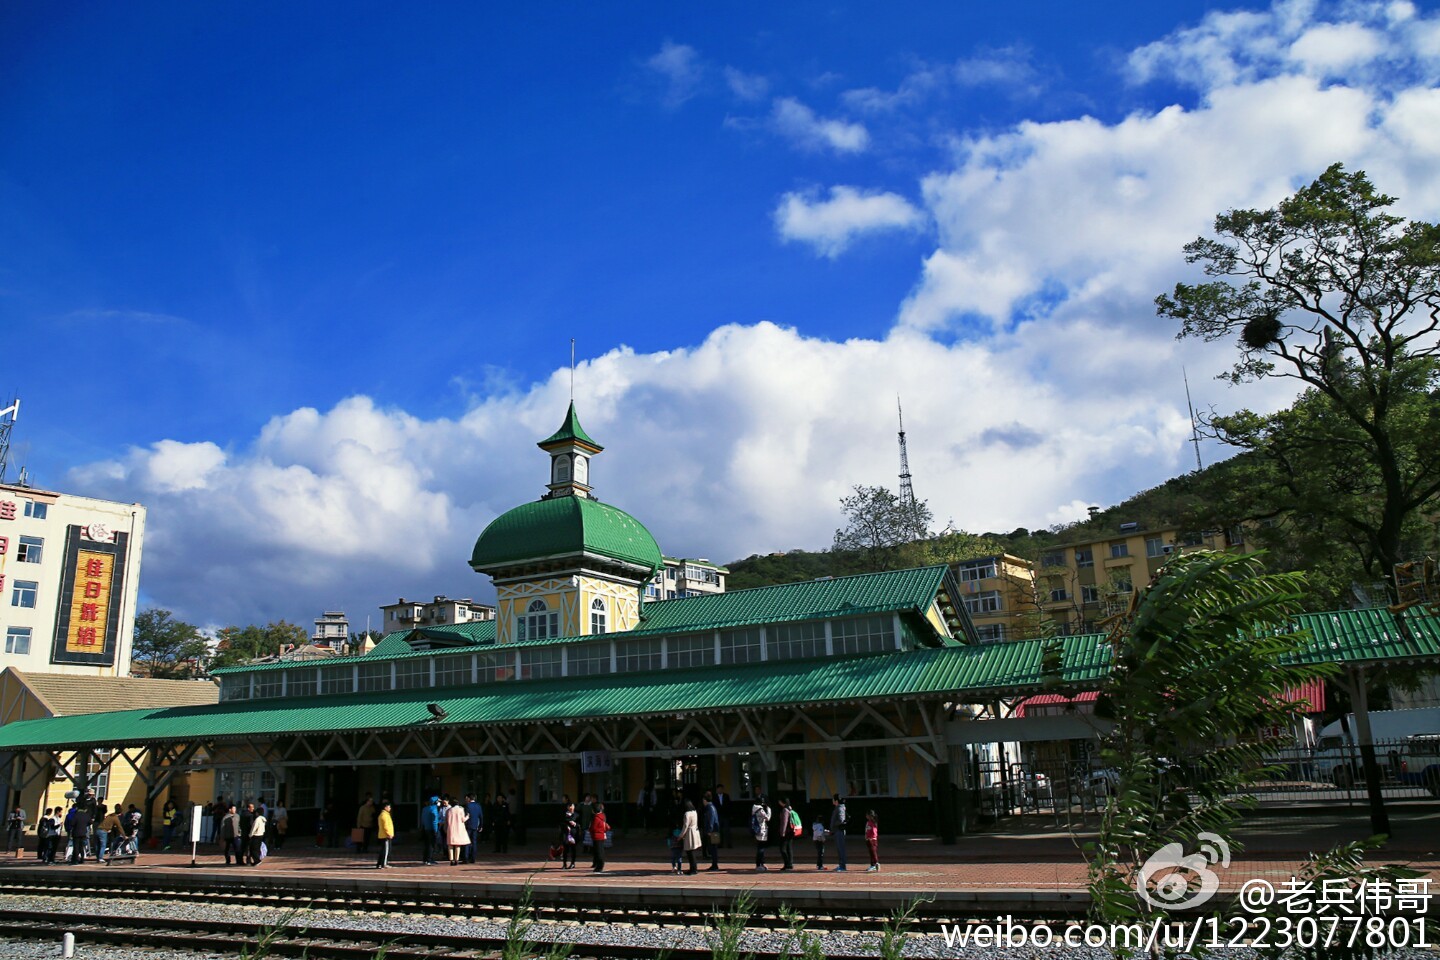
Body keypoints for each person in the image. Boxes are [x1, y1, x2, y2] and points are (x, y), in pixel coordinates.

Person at [678, 800, 701, 875]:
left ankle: (693, 869)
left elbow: (685, 826)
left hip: (689, 833)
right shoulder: (694, 812)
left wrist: (681, 835)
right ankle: (693, 868)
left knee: (690, 852)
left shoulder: (687, 814)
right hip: (695, 831)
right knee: (692, 852)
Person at [445, 794, 469, 865]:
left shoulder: (448, 811)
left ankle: (451, 860)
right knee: (458, 845)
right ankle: (456, 859)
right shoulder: (461, 809)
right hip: (459, 829)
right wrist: (467, 816)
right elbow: (463, 819)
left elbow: (446, 820)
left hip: (451, 828)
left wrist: (445, 828)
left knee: (450, 845)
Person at [700, 791, 720, 871]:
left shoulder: (710, 808)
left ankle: (715, 865)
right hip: (715, 830)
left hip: (713, 831)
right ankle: (714, 864)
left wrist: (709, 831)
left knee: (713, 849)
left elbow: (711, 820)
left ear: (705, 800)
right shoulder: (712, 807)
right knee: (713, 848)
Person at [750, 795, 771, 872]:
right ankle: (759, 864)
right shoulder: (760, 809)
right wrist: (769, 810)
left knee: (760, 847)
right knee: (761, 848)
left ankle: (761, 863)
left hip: (757, 829)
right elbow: (767, 818)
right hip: (761, 829)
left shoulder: (754, 808)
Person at [419, 796, 441, 864]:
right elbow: (434, 821)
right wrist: (435, 830)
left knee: (426, 844)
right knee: (431, 845)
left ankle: (425, 859)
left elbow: (422, 819)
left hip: (425, 828)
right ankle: (429, 859)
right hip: (431, 829)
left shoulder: (425, 809)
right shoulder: (434, 809)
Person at [829, 795, 848, 872]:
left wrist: (834, 825)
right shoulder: (838, 808)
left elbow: (841, 820)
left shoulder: (839, 808)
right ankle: (841, 864)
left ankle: (842, 866)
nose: (832, 801)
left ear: (836, 801)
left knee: (841, 849)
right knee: (839, 849)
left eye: (833, 799)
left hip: (839, 831)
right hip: (837, 830)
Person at [776, 798, 795, 871]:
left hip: (786, 832)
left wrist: (782, 832)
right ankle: (790, 863)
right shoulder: (790, 808)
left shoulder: (785, 810)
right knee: (789, 848)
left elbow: (784, 822)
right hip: (791, 831)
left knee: (782, 848)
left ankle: (787, 864)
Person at [464, 793, 483, 863]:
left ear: (469, 798)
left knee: (467, 842)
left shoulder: (468, 805)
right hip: (475, 826)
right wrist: (481, 826)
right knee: (474, 842)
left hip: (468, 825)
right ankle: (473, 858)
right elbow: (481, 816)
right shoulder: (478, 806)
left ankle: (466, 857)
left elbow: (466, 815)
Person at [589, 802, 609, 872]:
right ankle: (600, 865)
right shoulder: (602, 816)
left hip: (596, 836)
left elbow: (593, 828)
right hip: (602, 835)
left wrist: (590, 829)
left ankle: (599, 866)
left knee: (598, 852)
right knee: (600, 851)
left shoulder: (596, 818)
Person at [559, 802, 579, 869]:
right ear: (567, 807)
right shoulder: (564, 814)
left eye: (572, 806)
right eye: (569, 806)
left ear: (574, 807)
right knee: (565, 849)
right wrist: (566, 826)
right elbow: (560, 823)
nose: (571, 808)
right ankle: (564, 864)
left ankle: (573, 863)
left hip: (573, 834)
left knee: (573, 849)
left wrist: (575, 824)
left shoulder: (577, 815)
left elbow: (579, 824)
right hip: (565, 834)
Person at [375, 800, 394, 869]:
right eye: (389, 807)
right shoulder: (384, 815)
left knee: (383, 850)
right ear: (385, 807)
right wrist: (389, 834)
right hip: (385, 835)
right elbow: (385, 826)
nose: (390, 808)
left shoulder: (384, 815)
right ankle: (384, 864)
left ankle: (379, 864)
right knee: (386, 851)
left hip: (384, 835)